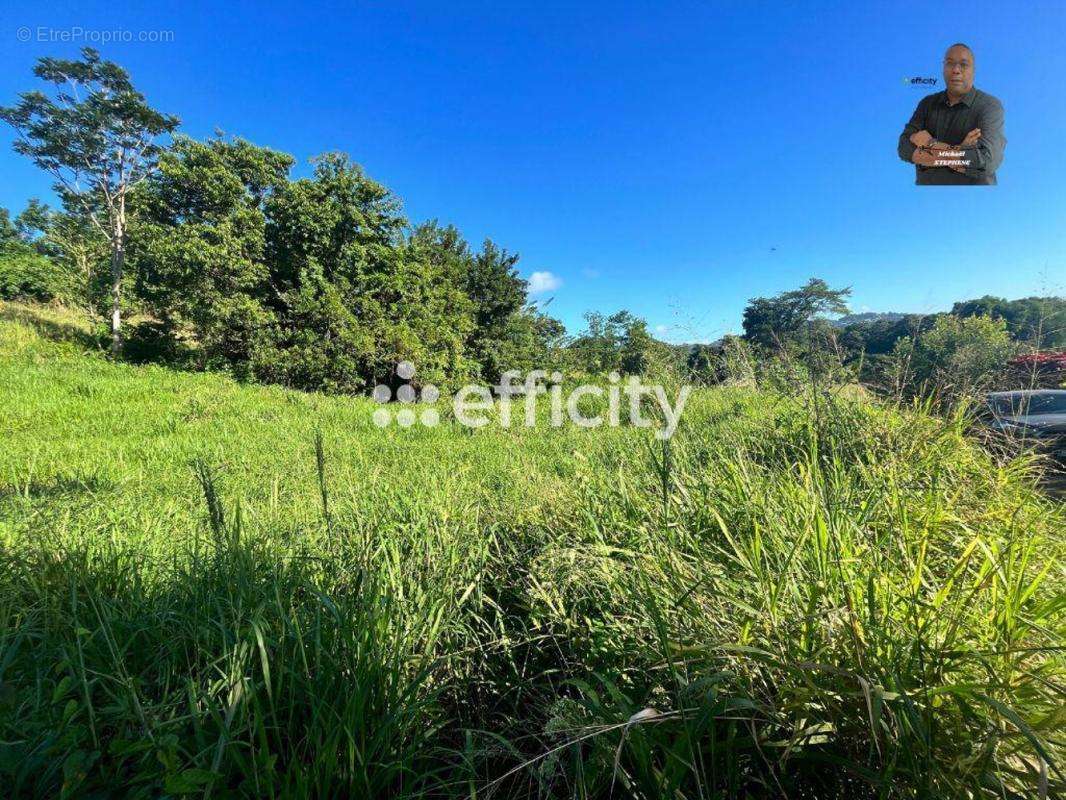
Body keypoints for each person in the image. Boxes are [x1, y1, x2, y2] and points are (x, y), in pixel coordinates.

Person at [897, 43, 1005, 185]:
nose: (955, 70)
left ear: (974, 70)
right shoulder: (927, 104)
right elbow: (904, 148)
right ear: (943, 68)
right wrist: (961, 150)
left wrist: (931, 144)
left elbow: (986, 161)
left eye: (964, 64)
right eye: (949, 63)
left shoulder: (990, 106)